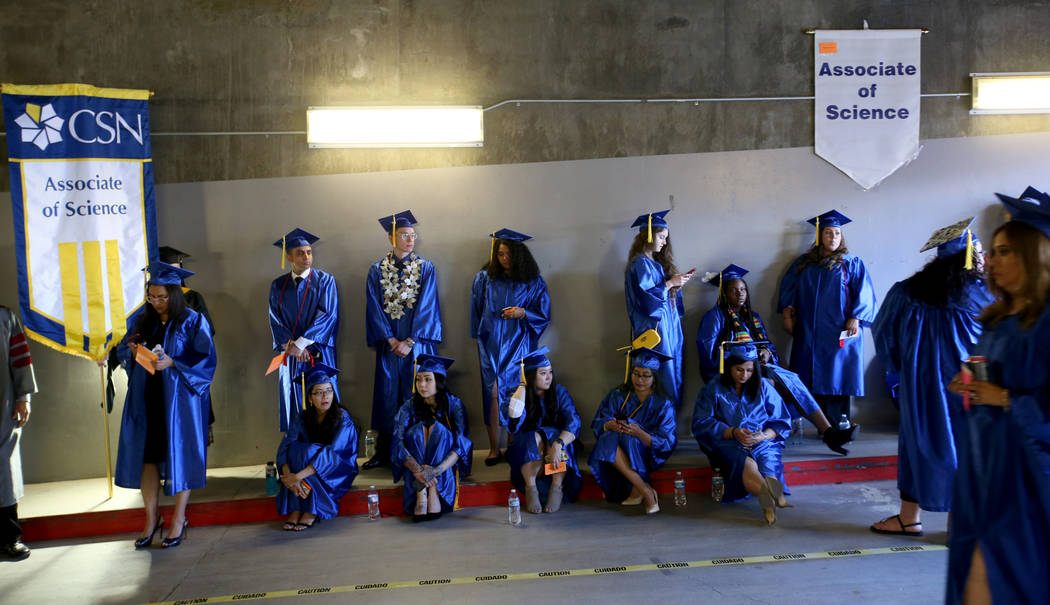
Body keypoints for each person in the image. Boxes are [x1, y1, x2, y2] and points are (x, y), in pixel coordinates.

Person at [944, 187, 1050, 604]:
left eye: (1006, 251)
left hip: (1027, 469)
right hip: (983, 463)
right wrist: (972, 384)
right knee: (974, 565)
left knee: (998, 575)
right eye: (994, 250)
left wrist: (1005, 399)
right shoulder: (998, 316)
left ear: (1035, 255)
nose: (992, 260)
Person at [870, 219, 992, 537]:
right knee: (967, 449)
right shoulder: (984, 296)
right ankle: (958, 526)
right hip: (968, 385)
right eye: (979, 253)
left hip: (919, 386)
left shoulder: (906, 291)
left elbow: (883, 332)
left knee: (917, 445)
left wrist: (899, 370)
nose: (984, 259)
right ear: (968, 257)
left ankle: (909, 518)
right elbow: (993, 343)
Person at [697, 264, 855, 454]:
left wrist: (767, 353)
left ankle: (829, 432)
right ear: (724, 294)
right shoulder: (715, 317)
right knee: (770, 382)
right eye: (733, 290)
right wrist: (738, 359)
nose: (740, 294)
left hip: (760, 366)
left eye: (743, 290)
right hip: (734, 371)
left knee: (792, 379)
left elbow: (767, 344)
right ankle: (766, 435)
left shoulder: (752, 318)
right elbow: (707, 351)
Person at [114, 262, 217, 549]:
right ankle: (151, 518)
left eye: (161, 297)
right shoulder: (141, 321)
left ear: (174, 294)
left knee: (179, 456)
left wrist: (174, 362)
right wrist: (133, 351)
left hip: (178, 402)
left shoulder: (193, 320)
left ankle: (178, 519)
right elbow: (124, 349)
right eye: (151, 296)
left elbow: (207, 358)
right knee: (148, 459)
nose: (156, 302)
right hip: (147, 398)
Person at [777, 209, 878, 423]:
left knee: (837, 376)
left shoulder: (850, 263)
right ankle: (812, 423)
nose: (833, 237)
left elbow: (865, 291)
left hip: (839, 331)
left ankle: (839, 424)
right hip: (809, 330)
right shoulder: (804, 264)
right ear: (819, 236)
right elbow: (789, 288)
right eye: (828, 233)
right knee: (809, 373)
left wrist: (856, 316)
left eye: (837, 233)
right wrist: (787, 315)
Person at [364, 211, 443, 470]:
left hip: (417, 344)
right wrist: (390, 340)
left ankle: (420, 447)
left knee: (419, 392)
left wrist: (409, 340)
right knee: (387, 395)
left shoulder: (425, 268)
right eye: (403, 235)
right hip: (389, 347)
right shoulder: (377, 270)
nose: (410, 240)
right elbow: (374, 308)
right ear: (391, 237)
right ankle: (385, 451)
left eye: (412, 235)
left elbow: (428, 306)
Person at [470, 228, 551, 466]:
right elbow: (475, 310)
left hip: (519, 344)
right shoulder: (484, 278)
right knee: (492, 394)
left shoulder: (533, 281)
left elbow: (543, 314)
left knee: (515, 395)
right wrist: (481, 334)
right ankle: (495, 448)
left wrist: (522, 312)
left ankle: (513, 445)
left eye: (508, 254)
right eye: (500, 254)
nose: (504, 259)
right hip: (490, 344)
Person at [692, 342, 792, 526]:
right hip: (727, 441)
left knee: (768, 467)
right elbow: (701, 422)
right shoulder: (713, 388)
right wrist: (733, 432)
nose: (744, 375)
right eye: (739, 369)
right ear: (729, 367)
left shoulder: (763, 387)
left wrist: (762, 437)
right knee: (745, 464)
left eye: (749, 370)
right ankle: (767, 501)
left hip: (762, 441)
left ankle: (770, 493)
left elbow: (781, 421)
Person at [588, 346, 677, 515]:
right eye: (636, 373)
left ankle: (640, 489)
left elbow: (666, 442)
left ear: (655, 378)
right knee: (608, 436)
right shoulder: (618, 395)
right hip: (617, 448)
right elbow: (600, 420)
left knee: (627, 439)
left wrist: (640, 433)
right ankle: (645, 490)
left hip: (648, 452)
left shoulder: (663, 404)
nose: (640, 380)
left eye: (646, 376)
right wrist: (609, 425)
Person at [269, 228, 339, 432]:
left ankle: (325, 452)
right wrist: (290, 346)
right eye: (300, 252)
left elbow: (327, 315)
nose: (306, 257)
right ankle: (296, 450)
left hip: (318, 352)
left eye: (309, 252)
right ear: (289, 256)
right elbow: (275, 320)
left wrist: (301, 344)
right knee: (293, 398)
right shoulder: (277, 285)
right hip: (290, 354)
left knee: (322, 397)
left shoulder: (325, 281)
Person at [276, 363, 359, 531]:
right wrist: (289, 477)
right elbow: (286, 445)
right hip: (307, 469)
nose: (325, 397)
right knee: (296, 449)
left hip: (339, 469)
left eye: (329, 391)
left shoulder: (343, 418)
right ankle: (298, 508)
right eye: (319, 393)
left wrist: (298, 476)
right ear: (309, 398)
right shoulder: (302, 416)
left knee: (308, 451)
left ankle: (311, 510)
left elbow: (334, 453)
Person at [625, 210, 693, 410]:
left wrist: (675, 285)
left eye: (665, 238)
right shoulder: (640, 264)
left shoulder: (655, 264)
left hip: (669, 327)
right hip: (654, 329)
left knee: (673, 368)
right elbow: (647, 302)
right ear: (648, 235)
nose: (664, 242)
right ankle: (658, 423)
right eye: (661, 237)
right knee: (661, 373)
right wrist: (671, 283)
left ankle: (668, 424)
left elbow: (663, 295)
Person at [391, 355, 472, 522]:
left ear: (439, 382)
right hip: (416, 469)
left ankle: (433, 489)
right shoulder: (409, 405)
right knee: (415, 432)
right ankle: (422, 493)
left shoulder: (454, 404)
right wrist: (419, 471)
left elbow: (461, 444)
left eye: (428, 380)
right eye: (418, 380)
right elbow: (397, 441)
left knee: (440, 431)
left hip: (443, 466)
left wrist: (434, 472)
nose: (421, 385)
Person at [503, 347, 582, 514]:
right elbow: (513, 424)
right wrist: (522, 389)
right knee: (533, 437)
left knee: (553, 435)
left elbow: (573, 422)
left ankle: (557, 486)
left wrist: (558, 444)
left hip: (555, 444)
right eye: (543, 373)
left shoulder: (559, 392)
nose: (549, 378)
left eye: (550, 372)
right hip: (528, 446)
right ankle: (531, 488)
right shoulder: (516, 393)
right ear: (531, 376)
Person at [159, 245, 216, 445]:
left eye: (174, 267)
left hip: (187, 369)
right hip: (160, 372)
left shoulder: (192, 298)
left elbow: (208, 334)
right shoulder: (153, 301)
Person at [0, 306, 37, 560]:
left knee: (4, 471)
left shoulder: (5, 317)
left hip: (2, 404)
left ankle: (9, 538)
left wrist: (23, 397)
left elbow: (20, 357)